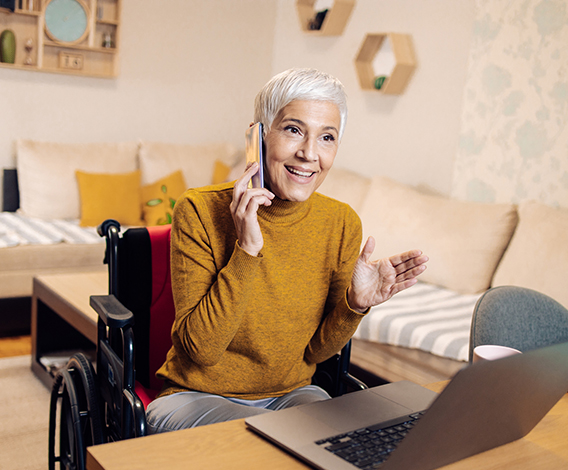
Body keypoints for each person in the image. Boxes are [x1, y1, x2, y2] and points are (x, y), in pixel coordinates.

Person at [145, 68, 428, 433]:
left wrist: (355, 305)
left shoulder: (341, 224)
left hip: (292, 395)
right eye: (294, 130)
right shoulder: (200, 210)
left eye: (327, 137)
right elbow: (200, 351)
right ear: (258, 136)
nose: (310, 154)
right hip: (195, 396)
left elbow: (316, 354)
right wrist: (246, 249)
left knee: (335, 439)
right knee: (291, 438)